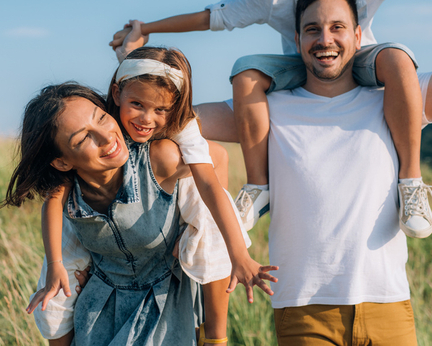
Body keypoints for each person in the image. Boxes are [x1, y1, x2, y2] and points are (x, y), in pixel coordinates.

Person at [109, 0, 432, 236]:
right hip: (302, 66)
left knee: (398, 58)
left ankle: (411, 182)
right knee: (246, 72)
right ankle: (258, 186)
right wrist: (147, 27)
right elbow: (211, 17)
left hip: (363, 61)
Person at [5, 80, 277, 346]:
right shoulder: (68, 193)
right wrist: (60, 267)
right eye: (84, 137)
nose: (105, 136)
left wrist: (195, 227)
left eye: (101, 118)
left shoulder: (160, 159)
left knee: (207, 222)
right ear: (63, 161)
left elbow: (217, 157)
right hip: (100, 309)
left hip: (166, 302)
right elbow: (57, 289)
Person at [267, 0, 432, 345]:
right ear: (298, 39)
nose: (324, 39)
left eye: (337, 27)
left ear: (359, 36)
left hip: (387, 304)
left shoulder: (395, 97)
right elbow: (180, 118)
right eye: (312, 29)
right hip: (305, 310)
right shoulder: (270, 108)